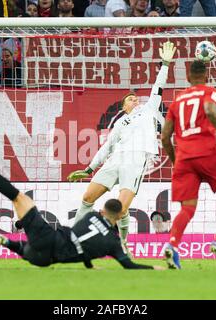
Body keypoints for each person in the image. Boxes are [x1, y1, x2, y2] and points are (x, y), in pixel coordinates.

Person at [67, 42, 176, 258]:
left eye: (136, 97)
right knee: (88, 197)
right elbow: (106, 147)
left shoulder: (148, 109)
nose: (135, 100)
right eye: (130, 99)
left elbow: (158, 86)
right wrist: (89, 169)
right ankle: (72, 239)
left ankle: (123, 243)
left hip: (136, 160)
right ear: (124, 107)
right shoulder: (119, 123)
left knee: (121, 209)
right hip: (115, 159)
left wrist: (165, 64)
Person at [0, 162, 165, 270]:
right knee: (31, 253)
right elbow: (128, 265)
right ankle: (6, 243)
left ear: (103, 211)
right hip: (46, 260)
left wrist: (89, 265)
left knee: (19, 198)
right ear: (120, 215)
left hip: (49, 238)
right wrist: (153, 268)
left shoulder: (92, 217)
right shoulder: (114, 244)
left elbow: (80, 236)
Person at [161, 60, 216, 270]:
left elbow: (165, 137)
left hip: (184, 158)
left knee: (187, 208)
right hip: (206, 152)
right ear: (206, 76)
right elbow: (210, 111)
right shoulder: (210, 91)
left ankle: (172, 244)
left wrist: (177, 161)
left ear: (187, 77)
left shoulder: (177, 100)